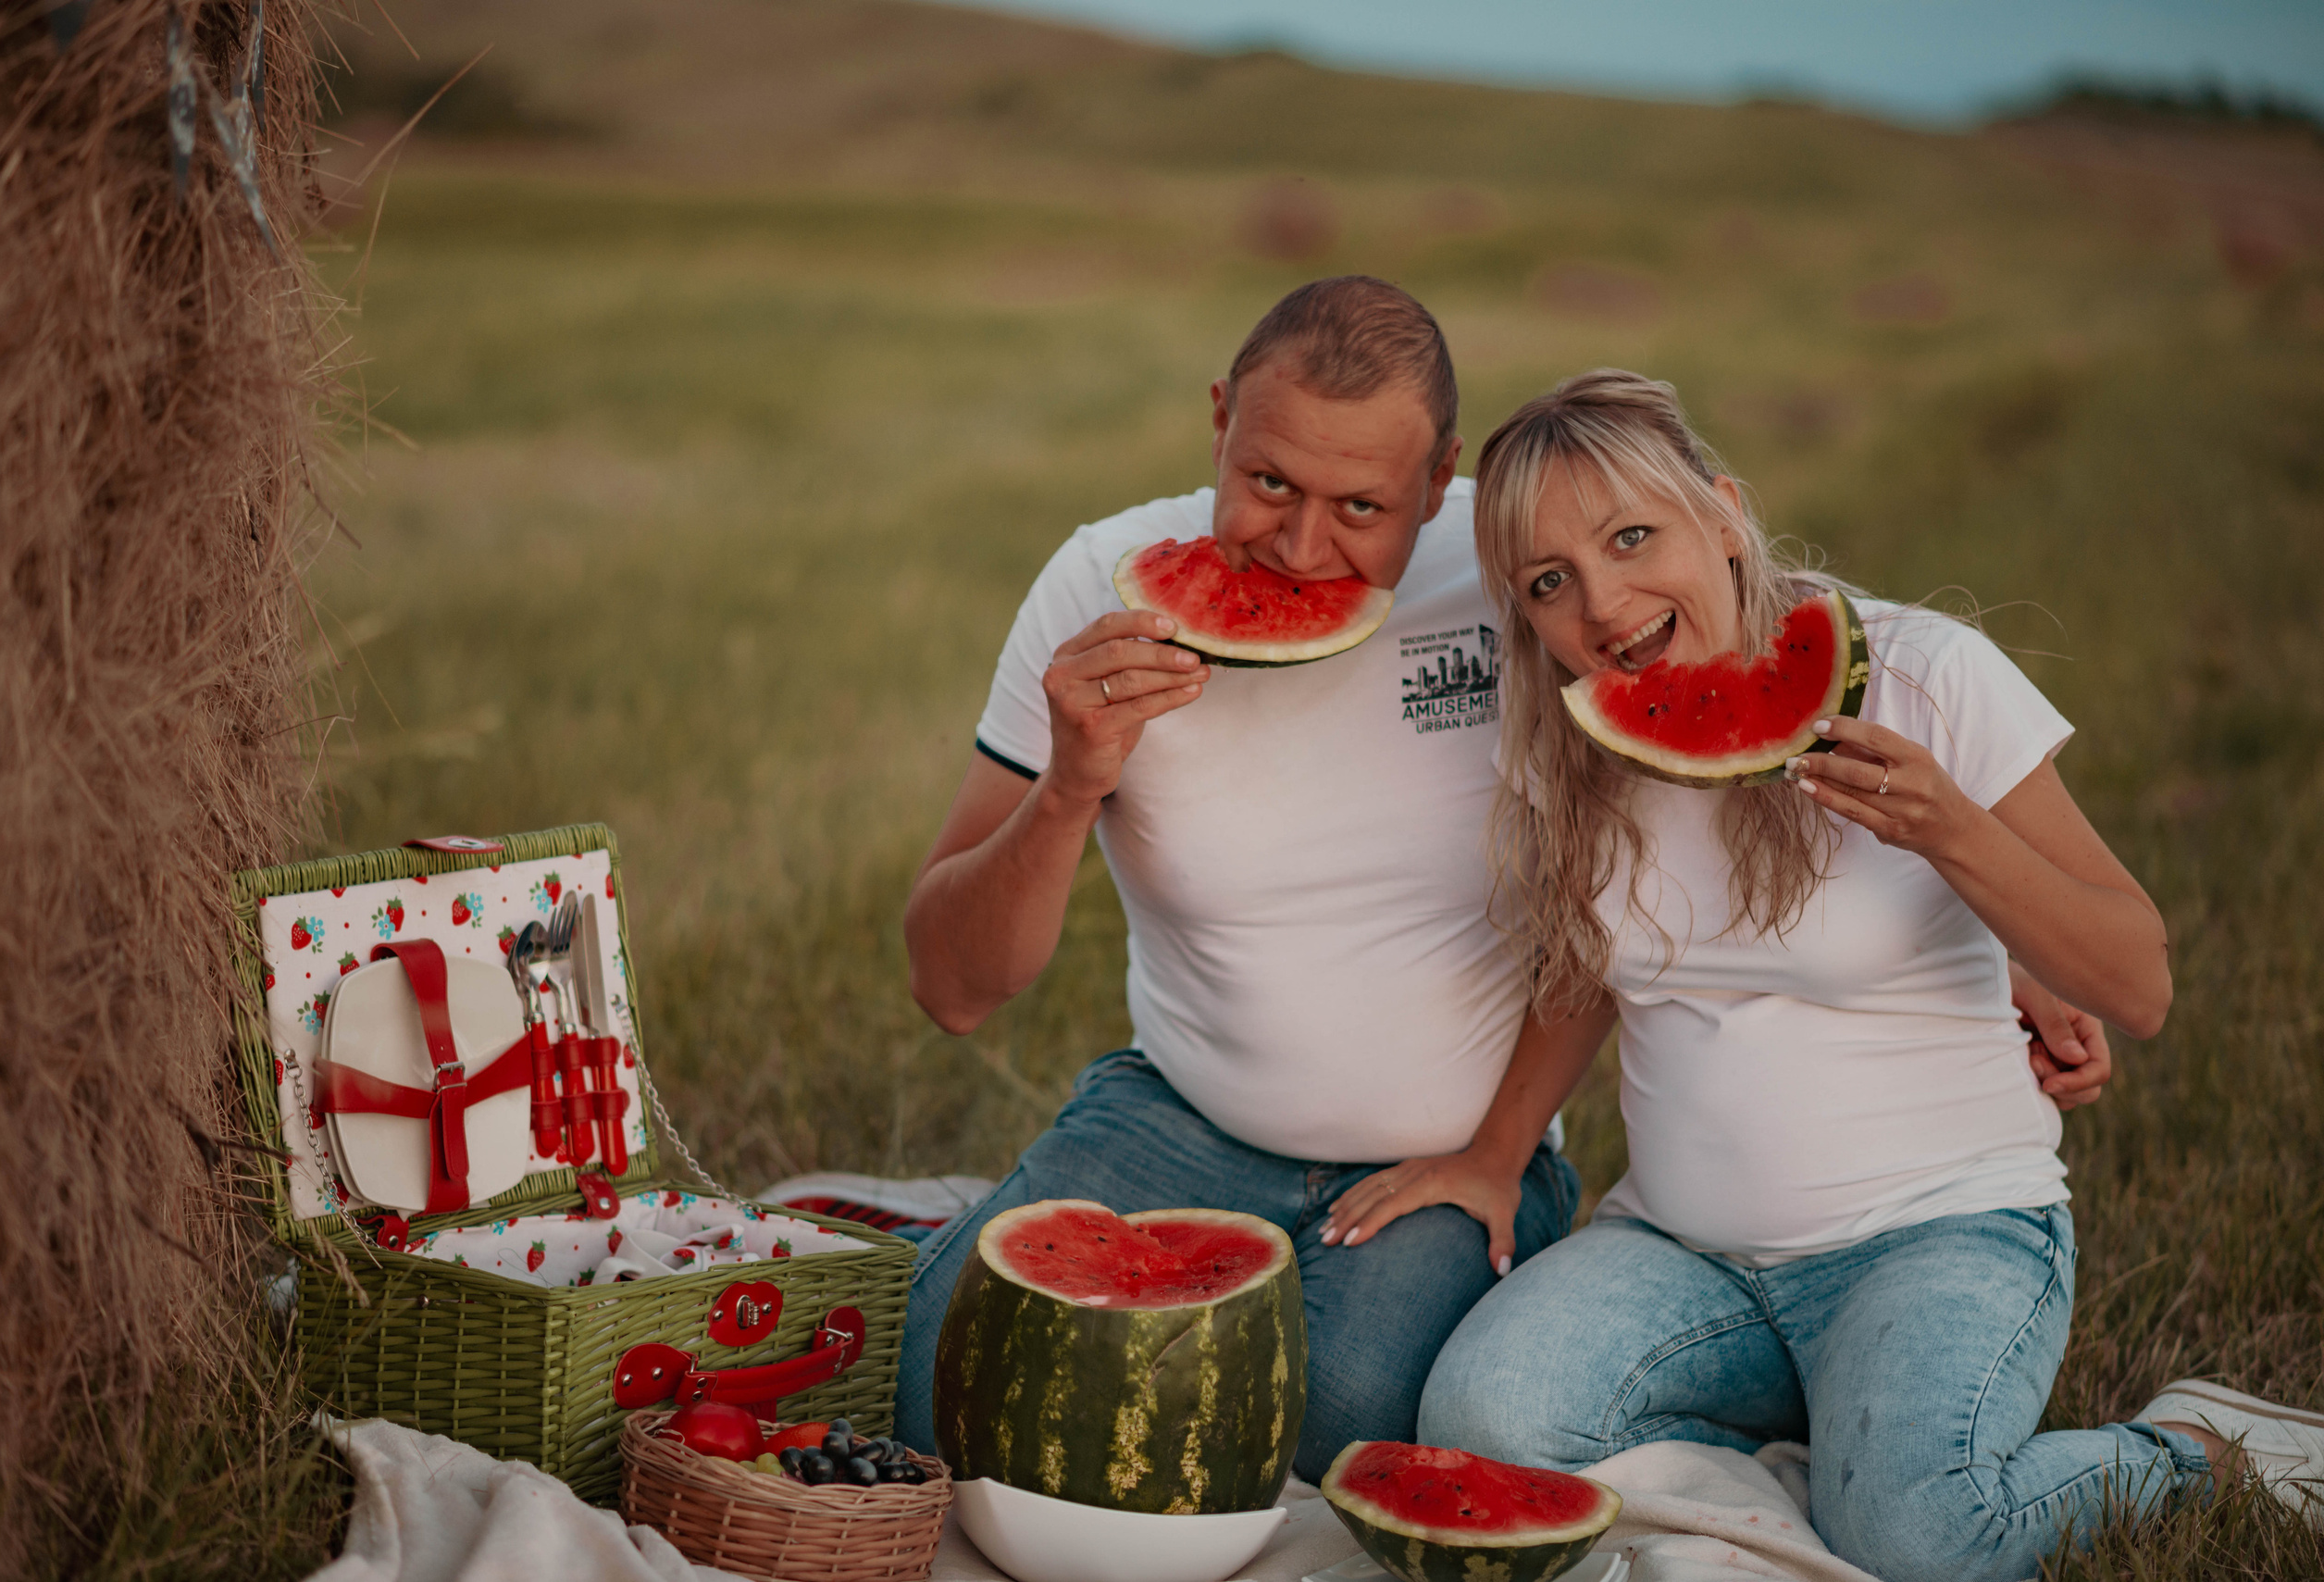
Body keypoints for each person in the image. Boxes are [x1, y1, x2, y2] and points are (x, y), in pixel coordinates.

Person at [890, 280, 2114, 1481]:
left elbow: (1759, 651)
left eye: (1361, 505)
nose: (1304, 547)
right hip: (1181, 1111)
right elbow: (952, 989)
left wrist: (1986, 930)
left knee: (1344, 1417)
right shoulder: (1098, 591)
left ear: (1440, 483)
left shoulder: (1531, 568)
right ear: (1219, 421)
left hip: (1458, 1155)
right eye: (1267, 482)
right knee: (937, 1380)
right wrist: (1068, 788)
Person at [1388, 370, 2320, 1580]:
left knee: (1923, 1539)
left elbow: (2138, 980)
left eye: (1632, 537)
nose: (1604, 605)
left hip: (1938, 1233)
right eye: (1548, 582)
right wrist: (1495, 1152)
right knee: (1482, 1426)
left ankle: (2196, 1452)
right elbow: (1594, 975)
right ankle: (1835, 1458)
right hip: (1682, 1250)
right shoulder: (1570, 732)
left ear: (1725, 516)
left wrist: (1954, 834)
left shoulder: (1930, 674)